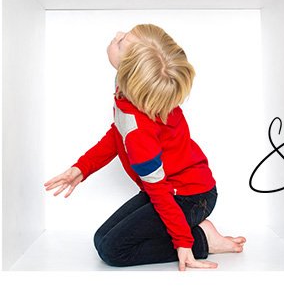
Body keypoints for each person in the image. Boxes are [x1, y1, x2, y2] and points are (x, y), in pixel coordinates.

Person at [44, 24, 245, 270]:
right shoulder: (131, 92)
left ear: (130, 70)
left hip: (191, 196)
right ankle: (196, 232)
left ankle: (203, 240)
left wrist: (184, 242)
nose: (117, 34)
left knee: (113, 251)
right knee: (101, 239)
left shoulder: (139, 131)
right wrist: (82, 168)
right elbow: (119, 133)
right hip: (168, 188)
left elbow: (158, 190)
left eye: (122, 41)